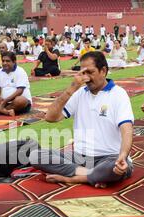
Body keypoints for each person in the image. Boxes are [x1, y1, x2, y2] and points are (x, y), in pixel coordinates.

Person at [28, 51, 134, 188]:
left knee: (114, 168)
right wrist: (71, 89)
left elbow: (127, 130)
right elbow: (50, 117)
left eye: (90, 72)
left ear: (103, 71)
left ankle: (76, 178)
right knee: (36, 156)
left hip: (109, 157)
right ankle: (92, 175)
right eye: (83, 73)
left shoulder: (118, 94)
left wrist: (123, 155)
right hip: (80, 158)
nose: (86, 78)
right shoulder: (79, 94)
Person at [0, 52, 32, 116]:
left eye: (7, 61)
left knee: (20, 100)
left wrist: (5, 101)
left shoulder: (20, 71)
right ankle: (6, 112)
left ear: (14, 61)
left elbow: (20, 91)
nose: (5, 63)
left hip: (18, 102)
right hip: (3, 102)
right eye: (3, 61)